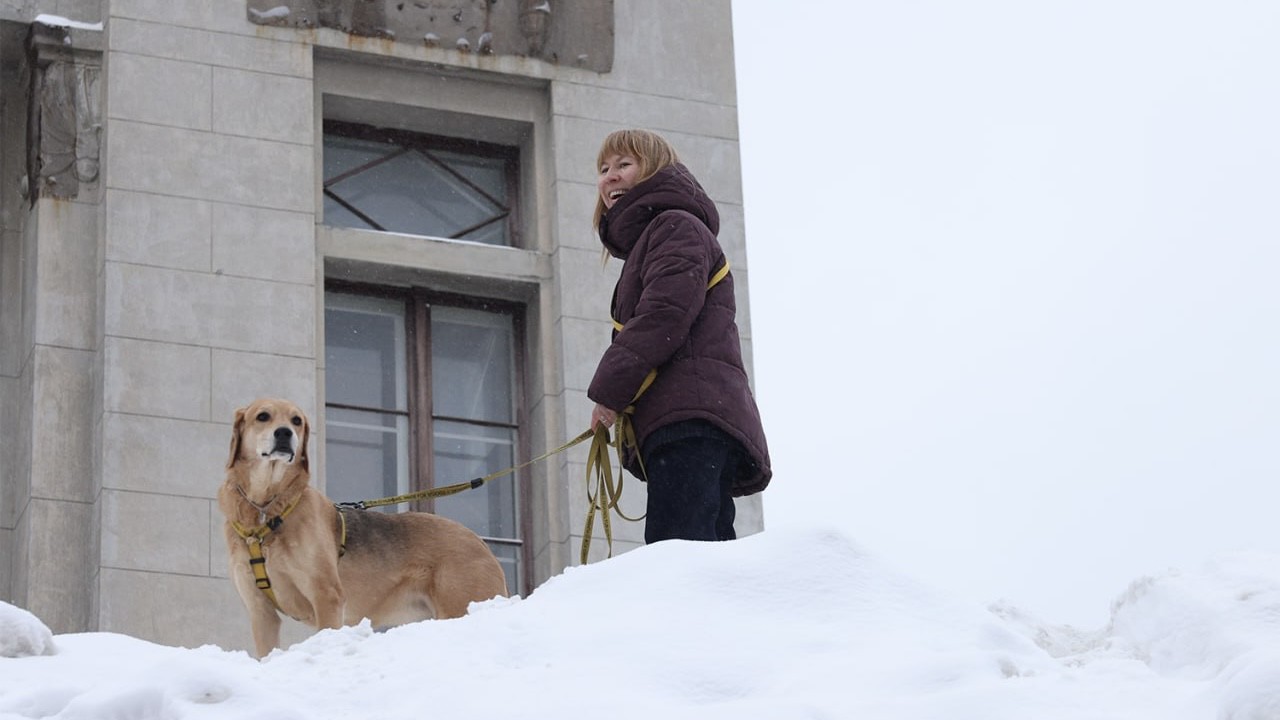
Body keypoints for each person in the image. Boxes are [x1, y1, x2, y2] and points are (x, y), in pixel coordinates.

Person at [587, 129, 771, 543]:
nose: (610, 176)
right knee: (703, 552)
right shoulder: (664, 233)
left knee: (679, 552)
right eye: (603, 168)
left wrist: (609, 394)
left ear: (653, 170)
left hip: (690, 418)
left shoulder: (674, 227)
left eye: (623, 164)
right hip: (694, 417)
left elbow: (664, 314)